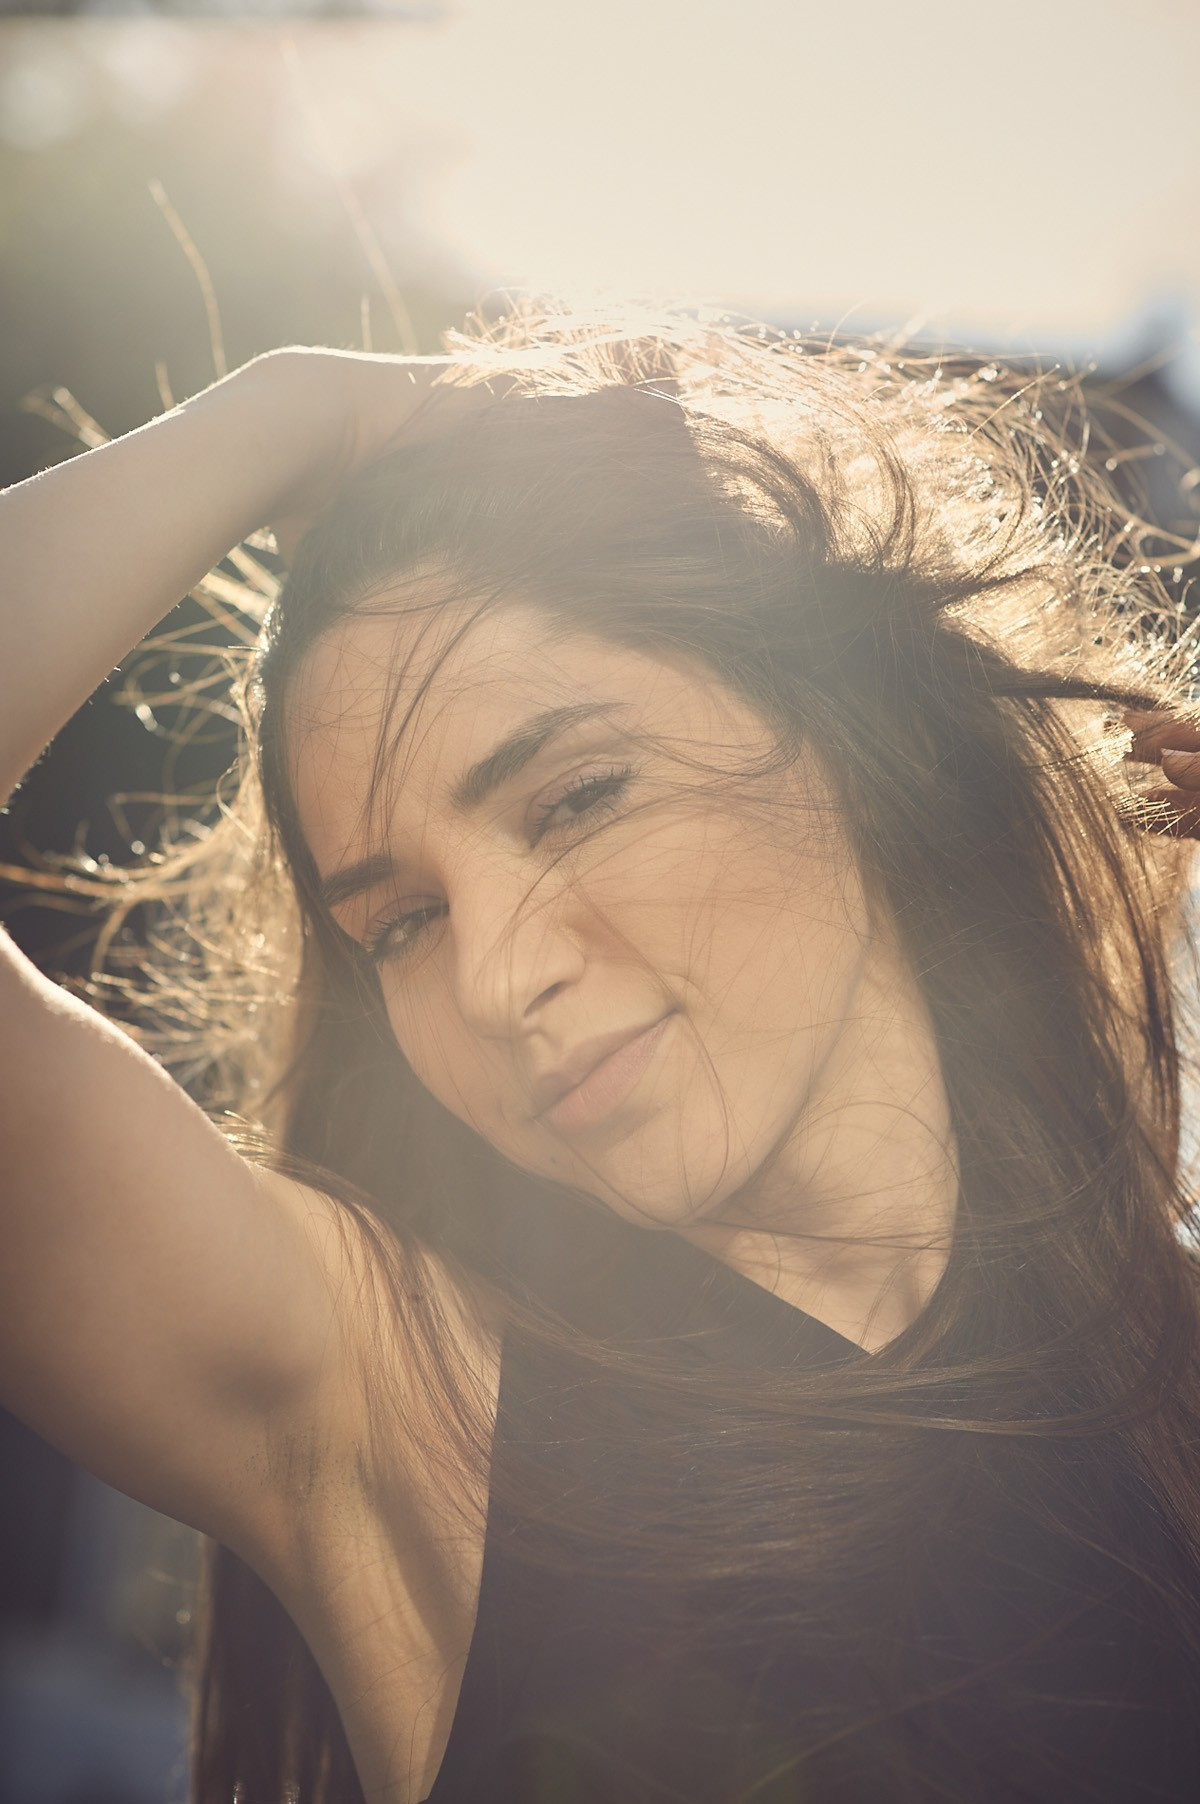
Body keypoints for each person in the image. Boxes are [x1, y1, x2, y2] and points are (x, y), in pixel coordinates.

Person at [5, 307, 1200, 1804]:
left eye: (575, 798)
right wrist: (288, 414)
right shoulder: (394, 1408)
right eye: (403, 926)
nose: (500, 977)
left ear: (846, 723)